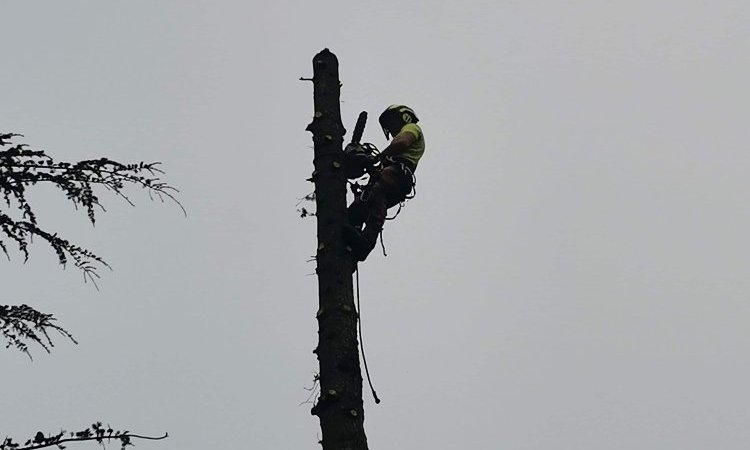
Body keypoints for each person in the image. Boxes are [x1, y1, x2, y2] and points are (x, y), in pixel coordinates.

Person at [344, 104, 425, 262]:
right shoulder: (389, 159)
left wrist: (378, 157)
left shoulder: (412, 128)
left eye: (391, 122)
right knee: (358, 208)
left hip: (399, 175)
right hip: (390, 177)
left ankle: (365, 244)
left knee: (377, 194)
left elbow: (402, 143)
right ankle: (350, 252)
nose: (391, 128)